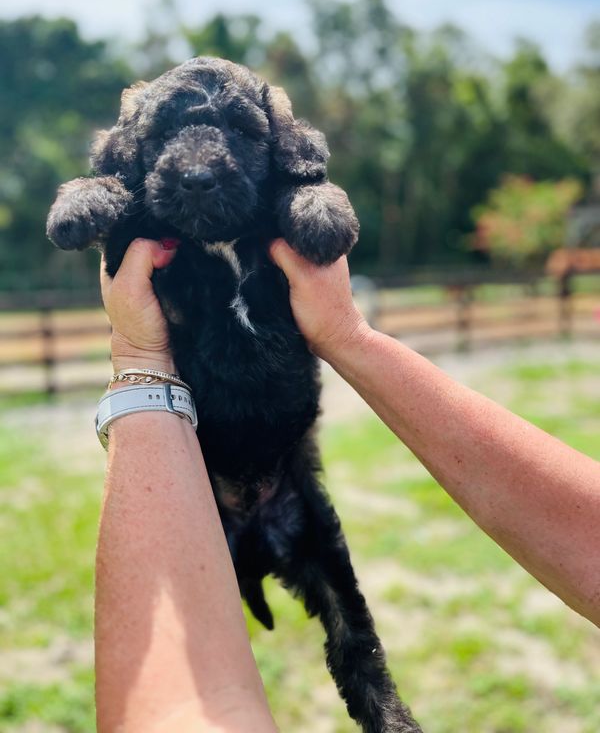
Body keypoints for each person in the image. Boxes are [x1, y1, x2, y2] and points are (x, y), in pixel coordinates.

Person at [96, 237, 600, 733]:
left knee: (342, 610)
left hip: (284, 475)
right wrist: (345, 333)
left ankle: (380, 710)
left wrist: (139, 358)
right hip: (216, 466)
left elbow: (172, 718)